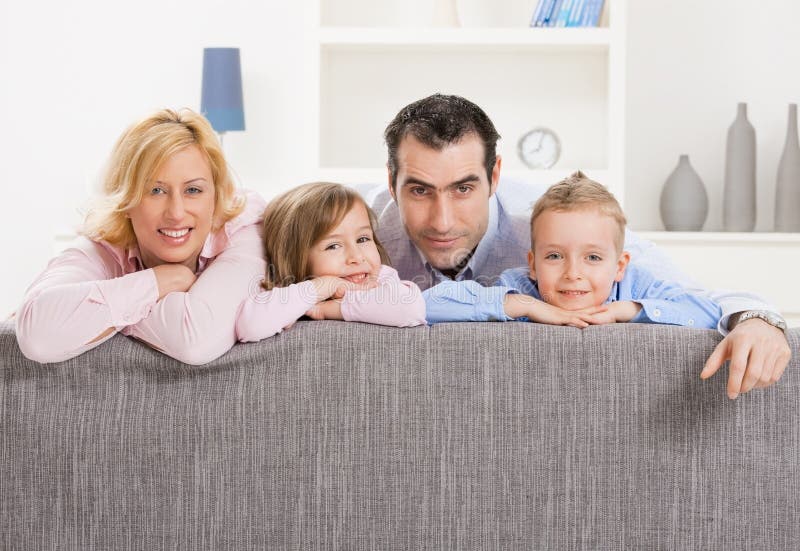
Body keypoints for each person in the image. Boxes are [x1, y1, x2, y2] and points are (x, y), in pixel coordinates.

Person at [367, 93, 790, 399]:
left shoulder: (556, 225)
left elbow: (699, 296)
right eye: (420, 191)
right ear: (391, 183)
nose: (442, 221)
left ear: (495, 176)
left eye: (463, 188)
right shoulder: (358, 230)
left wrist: (756, 320)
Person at [15, 108, 266, 365]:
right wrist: (158, 282)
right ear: (126, 201)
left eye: (193, 190)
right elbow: (37, 336)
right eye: (155, 190)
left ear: (215, 195)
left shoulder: (245, 231)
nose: (176, 213)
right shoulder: (105, 241)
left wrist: (98, 318)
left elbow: (195, 341)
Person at [424, 172, 722, 330]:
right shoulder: (520, 287)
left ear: (619, 266)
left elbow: (709, 313)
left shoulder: (635, 286)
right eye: (554, 256)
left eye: (592, 257)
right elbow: (428, 305)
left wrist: (628, 310)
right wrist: (528, 306)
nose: (573, 274)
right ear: (533, 263)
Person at [235, 182, 425, 342]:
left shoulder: (380, 280)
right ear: (294, 256)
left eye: (363, 239)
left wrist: (330, 309)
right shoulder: (288, 292)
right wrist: (321, 287)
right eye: (333, 246)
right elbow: (249, 326)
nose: (357, 257)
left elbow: (411, 308)